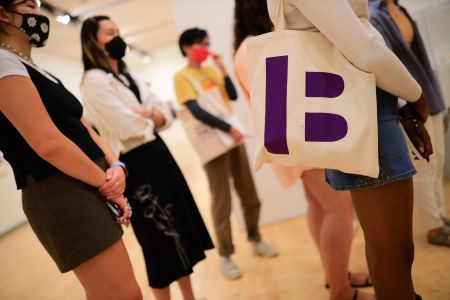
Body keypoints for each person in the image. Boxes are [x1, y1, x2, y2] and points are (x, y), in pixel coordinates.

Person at [265, 1, 433, 300]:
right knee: (394, 252)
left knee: (386, 248)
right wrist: (417, 94)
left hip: (358, 102)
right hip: (360, 106)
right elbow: (363, 48)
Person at [0, 1, 142, 299]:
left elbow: (84, 126)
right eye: (29, 5)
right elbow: (48, 143)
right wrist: (109, 185)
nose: (38, 13)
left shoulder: (34, 68)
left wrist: (115, 165)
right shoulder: (2, 62)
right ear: (3, 13)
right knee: (124, 295)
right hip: (60, 190)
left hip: (88, 181)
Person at [233, 1, 374, 299]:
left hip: (289, 141)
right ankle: (340, 289)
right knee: (340, 208)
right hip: (301, 139)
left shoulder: (247, 46)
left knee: (320, 206)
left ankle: (335, 274)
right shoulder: (259, 45)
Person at [80, 16, 214, 300]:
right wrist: (151, 115)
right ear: (93, 42)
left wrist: (150, 115)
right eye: (109, 33)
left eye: (118, 31)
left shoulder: (128, 75)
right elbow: (128, 126)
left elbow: (165, 112)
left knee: (180, 234)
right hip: (136, 166)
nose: (117, 37)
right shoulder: (93, 82)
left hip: (159, 154)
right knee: (158, 243)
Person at [173, 27, 278, 280]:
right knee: (222, 203)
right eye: (200, 43)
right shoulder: (181, 77)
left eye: (206, 42)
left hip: (233, 140)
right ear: (186, 47)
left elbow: (231, 95)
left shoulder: (211, 71)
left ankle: (255, 239)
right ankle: (225, 255)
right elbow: (197, 111)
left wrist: (222, 68)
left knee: (249, 195)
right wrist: (228, 128)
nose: (205, 47)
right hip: (215, 143)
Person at [368, 0, 450, 247]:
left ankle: (439, 214)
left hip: (429, 96)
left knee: (438, 161)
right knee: (426, 165)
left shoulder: (398, 9)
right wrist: (405, 105)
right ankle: (434, 228)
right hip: (410, 103)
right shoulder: (375, 14)